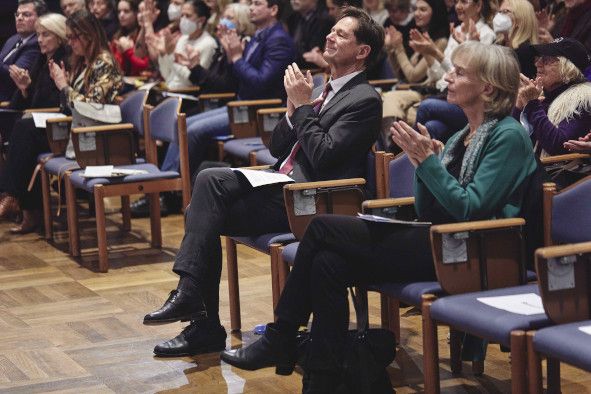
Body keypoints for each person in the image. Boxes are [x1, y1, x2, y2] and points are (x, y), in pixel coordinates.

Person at [220, 41, 538, 392]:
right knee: (328, 263)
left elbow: (469, 209)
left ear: (488, 87)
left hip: (478, 251)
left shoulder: (509, 136)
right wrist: (423, 166)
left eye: (459, 72)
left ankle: (281, 335)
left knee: (324, 227)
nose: (447, 77)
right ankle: (323, 379)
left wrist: (429, 164)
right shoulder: (463, 135)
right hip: (443, 238)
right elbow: (428, 209)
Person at [143, 7, 384, 360]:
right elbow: (277, 147)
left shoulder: (364, 99)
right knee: (203, 204)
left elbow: (325, 157)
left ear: (362, 51)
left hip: (311, 201)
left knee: (206, 193)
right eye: (331, 31)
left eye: (341, 35)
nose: (329, 37)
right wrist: (292, 109)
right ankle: (199, 315)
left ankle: (199, 315)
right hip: (281, 184)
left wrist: (302, 108)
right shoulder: (319, 87)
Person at [132, 0, 295, 216]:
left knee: (192, 130)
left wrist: (236, 57)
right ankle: (167, 187)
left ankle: (167, 194)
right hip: (241, 105)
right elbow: (233, 82)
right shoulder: (259, 35)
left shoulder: (279, 41)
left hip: (259, 112)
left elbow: (260, 83)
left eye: (257, 4)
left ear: (273, 10)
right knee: (184, 123)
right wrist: (229, 56)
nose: (251, 8)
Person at [0, 13, 67, 230]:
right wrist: (25, 88)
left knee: (22, 129)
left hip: (60, 128)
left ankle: (11, 196)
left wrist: (60, 84)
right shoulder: (41, 58)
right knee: (16, 127)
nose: (39, 40)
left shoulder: (63, 60)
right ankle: (28, 210)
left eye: (45, 35)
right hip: (40, 123)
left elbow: (58, 103)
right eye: (38, 35)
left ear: (59, 36)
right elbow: (31, 103)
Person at [411, 0, 496, 141]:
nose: (458, 6)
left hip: (468, 102)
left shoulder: (486, 34)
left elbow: (470, 77)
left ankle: (400, 156)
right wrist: (427, 52)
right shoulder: (456, 30)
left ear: (478, 6)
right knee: (432, 127)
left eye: (464, 2)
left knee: (425, 106)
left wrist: (436, 53)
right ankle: (415, 159)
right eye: (456, 2)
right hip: (446, 94)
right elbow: (440, 76)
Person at [514, 37, 591, 156]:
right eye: (539, 58)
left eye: (546, 60)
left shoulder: (583, 98)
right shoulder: (544, 98)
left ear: (567, 67)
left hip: (559, 173)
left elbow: (559, 145)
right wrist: (519, 107)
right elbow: (512, 141)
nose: (537, 63)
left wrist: (533, 105)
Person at [380, 0, 448, 133]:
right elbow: (400, 75)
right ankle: (389, 148)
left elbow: (413, 76)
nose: (417, 13)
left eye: (423, 10)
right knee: (383, 99)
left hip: (429, 92)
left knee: (391, 99)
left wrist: (399, 48)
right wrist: (390, 49)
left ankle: (391, 148)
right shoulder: (421, 37)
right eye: (416, 9)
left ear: (435, 13)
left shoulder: (440, 42)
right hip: (417, 90)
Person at [157, 0, 217, 89]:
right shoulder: (183, 39)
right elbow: (167, 74)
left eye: (188, 16)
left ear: (201, 20)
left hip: (187, 95)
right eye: (182, 15)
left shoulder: (208, 43)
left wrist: (174, 59)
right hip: (170, 89)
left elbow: (193, 80)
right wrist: (165, 54)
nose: (183, 19)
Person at [0, 0, 47, 101]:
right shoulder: (13, 39)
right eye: (17, 14)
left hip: (9, 102)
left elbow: (14, 76)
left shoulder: (38, 43)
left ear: (40, 18)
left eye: (26, 15)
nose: (19, 18)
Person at [493, 0, 539, 79]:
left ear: (520, 18)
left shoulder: (526, 51)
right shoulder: (497, 44)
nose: (499, 16)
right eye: (499, 12)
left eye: (505, 11)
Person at [286, 0, 333, 69]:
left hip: (316, 71)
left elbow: (314, 51)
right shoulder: (292, 18)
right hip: (295, 68)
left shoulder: (326, 19)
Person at [110, 0, 150, 76]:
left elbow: (143, 67)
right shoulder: (117, 36)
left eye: (126, 11)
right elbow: (114, 67)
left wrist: (127, 51)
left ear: (136, 13)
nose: (121, 15)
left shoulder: (144, 34)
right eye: (119, 12)